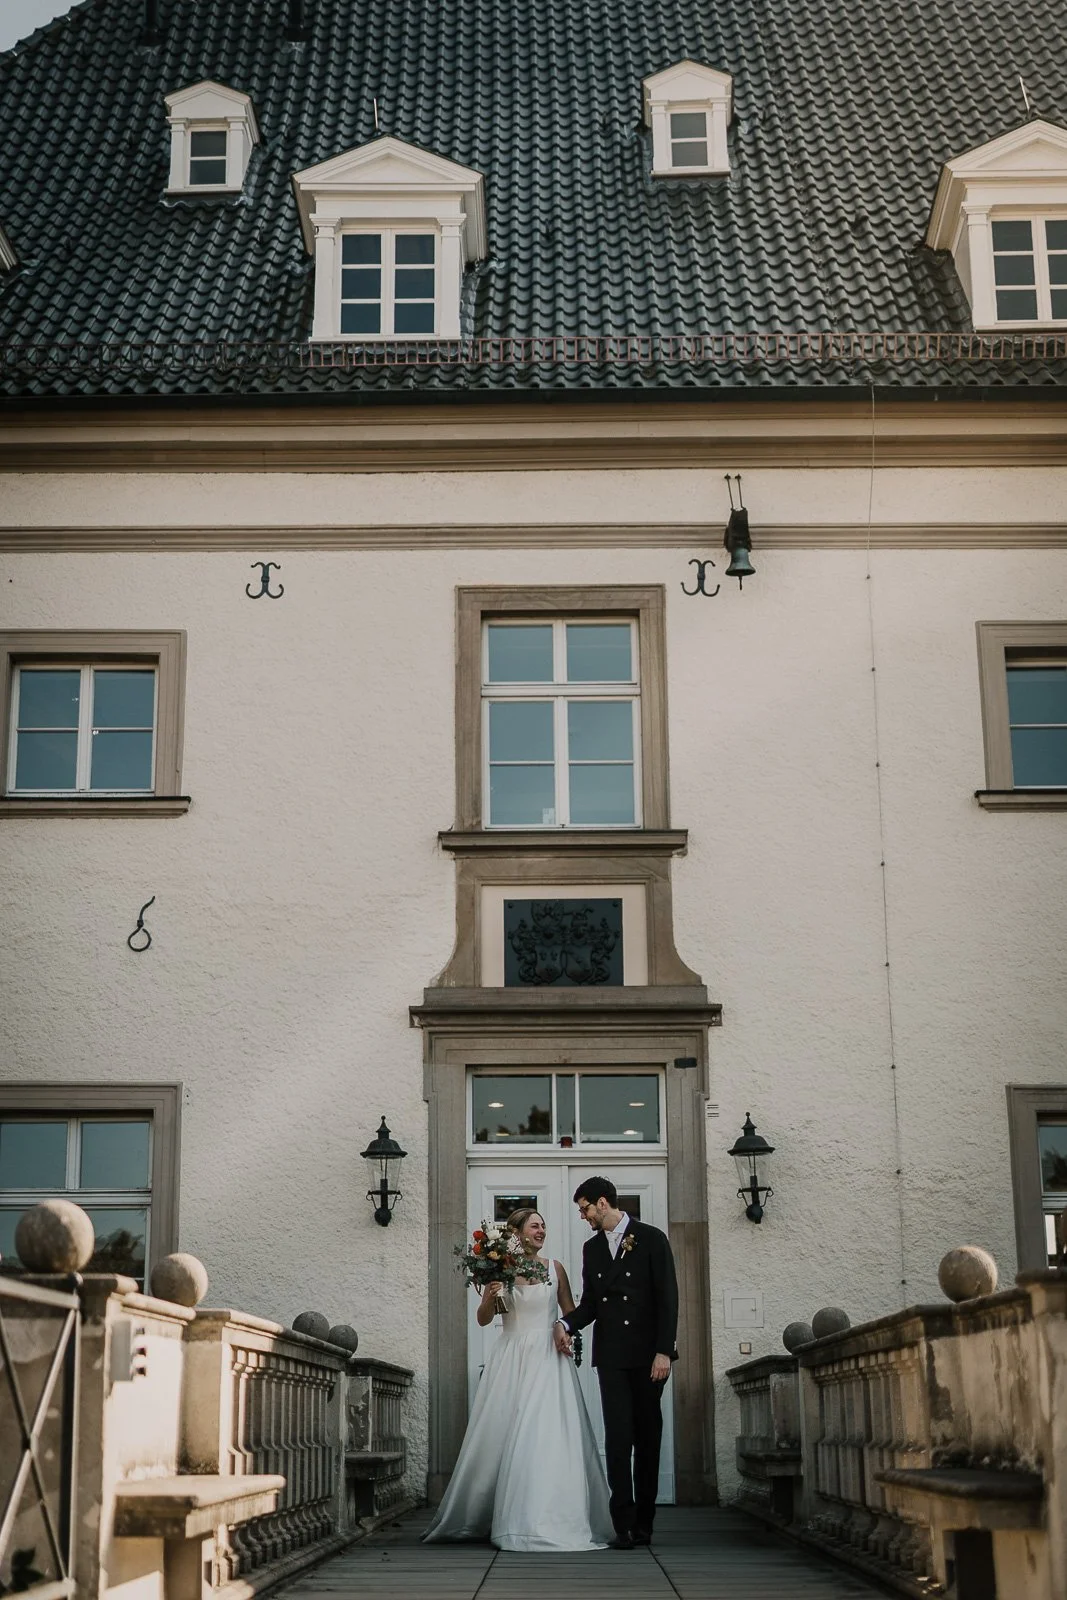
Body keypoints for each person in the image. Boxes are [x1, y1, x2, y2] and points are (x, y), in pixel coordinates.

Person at [424, 1207, 613, 1551]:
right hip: (511, 1357)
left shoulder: (555, 1269)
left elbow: (571, 1313)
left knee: (544, 1434)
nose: (542, 1230)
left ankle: (543, 1517)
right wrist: (490, 1294)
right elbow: (484, 1320)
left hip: (547, 1358)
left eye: (544, 1225)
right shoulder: (501, 1269)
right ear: (518, 1232)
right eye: (535, 1225)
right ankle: (494, 1516)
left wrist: (566, 1332)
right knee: (502, 1432)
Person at [554, 1176, 678, 1549]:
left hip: (648, 1357)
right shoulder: (592, 1249)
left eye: (585, 1208)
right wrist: (565, 1322)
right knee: (619, 1438)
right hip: (610, 1357)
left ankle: (645, 1523)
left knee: (648, 1438)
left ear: (603, 1203)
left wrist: (664, 1351)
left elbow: (667, 1298)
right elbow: (591, 1302)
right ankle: (621, 1524)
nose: (582, 1216)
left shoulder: (652, 1238)